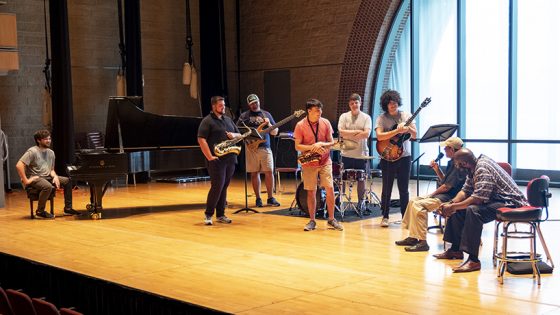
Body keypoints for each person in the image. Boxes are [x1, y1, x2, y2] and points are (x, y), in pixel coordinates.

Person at [433, 148, 528, 273]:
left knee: (473, 210)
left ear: (464, 164)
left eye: (457, 164)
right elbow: (465, 191)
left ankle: (473, 260)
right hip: (496, 200)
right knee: (458, 209)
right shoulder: (473, 167)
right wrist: (451, 203)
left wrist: (453, 207)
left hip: (510, 203)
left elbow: (477, 199)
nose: (456, 167)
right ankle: (455, 250)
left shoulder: (482, 168)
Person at [395, 137, 466, 251]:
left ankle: (422, 242)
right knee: (413, 200)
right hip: (444, 194)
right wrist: (437, 170)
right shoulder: (452, 162)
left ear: (452, 149)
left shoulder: (459, 165)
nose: (444, 151)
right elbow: (445, 181)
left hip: (450, 198)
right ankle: (413, 236)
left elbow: (446, 187)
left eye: (446, 149)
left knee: (419, 206)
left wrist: (431, 194)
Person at [294, 99, 343, 231]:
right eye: (316, 111)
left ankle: (331, 219)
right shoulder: (300, 125)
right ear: (309, 111)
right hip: (309, 162)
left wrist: (320, 144)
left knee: (330, 189)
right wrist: (312, 147)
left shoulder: (325, 122)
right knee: (311, 191)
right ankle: (312, 220)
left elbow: (332, 142)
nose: (319, 113)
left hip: (325, 160)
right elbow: (297, 146)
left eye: (320, 110)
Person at [197, 96, 242, 225]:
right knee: (217, 186)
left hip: (230, 158)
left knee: (224, 187)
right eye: (220, 105)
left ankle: (221, 214)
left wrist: (234, 135)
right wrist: (209, 157)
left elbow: (240, 135)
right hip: (217, 160)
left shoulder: (228, 120)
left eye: (224, 105)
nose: (223, 107)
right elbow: (201, 139)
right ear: (213, 106)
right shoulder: (207, 121)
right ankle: (208, 214)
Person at [375, 90, 417, 227]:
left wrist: (408, 128)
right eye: (390, 104)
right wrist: (396, 131)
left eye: (395, 103)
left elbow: (415, 135)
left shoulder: (406, 115)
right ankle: (385, 216)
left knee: (403, 188)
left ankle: (405, 217)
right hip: (387, 156)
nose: (393, 105)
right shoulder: (381, 118)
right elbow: (380, 137)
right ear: (385, 105)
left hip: (404, 156)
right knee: (386, 188)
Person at [16, 130, 79, 219]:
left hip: (47, 176)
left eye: (49, 138)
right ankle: (40, 211)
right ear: (38, 140)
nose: (49, 141)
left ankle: (68, 208)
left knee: (68, 181)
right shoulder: (32, 151)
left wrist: (55, 176)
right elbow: (19, 165)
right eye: (46, 139)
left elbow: (51, 170)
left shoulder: (51, 153)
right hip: (36, 177)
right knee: (47, 186)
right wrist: (26, 180)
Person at [237, 94, 281, 207]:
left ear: (259, 101)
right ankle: (258, 198)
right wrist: (247, 139)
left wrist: (269, 124)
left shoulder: (266, 114)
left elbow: (275, 132)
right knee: (254, 173)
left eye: (255, 102)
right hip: (251, 148)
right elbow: (238, 131)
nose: (254, 105)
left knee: (269, 171)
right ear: (248, 104)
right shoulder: (244, 116)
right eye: (251, 103)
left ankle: (270, 197)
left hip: (265, 146)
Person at [337, 93, 372, 210]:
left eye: (356, 102)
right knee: (342, 178)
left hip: (361, 155)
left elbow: (366, 134)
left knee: (361, 179)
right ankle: (340, 200)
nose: (354, 105)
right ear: (349, 105)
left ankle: (361, 202)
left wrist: (349, 133)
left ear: (360, 103)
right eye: (352, 103)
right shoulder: (344, 116)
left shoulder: (366, 117)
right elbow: (341, 132)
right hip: (346, 154)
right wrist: (357, 132)